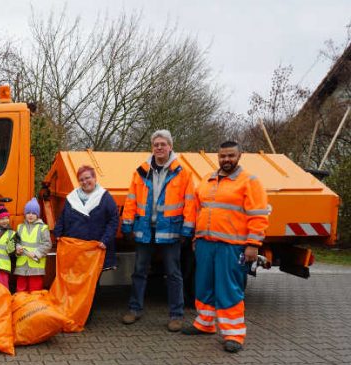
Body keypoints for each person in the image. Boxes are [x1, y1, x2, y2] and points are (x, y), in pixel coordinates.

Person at [182, 141, 269, 353]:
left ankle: (234, 334)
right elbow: (198, 211)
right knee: (203, 285)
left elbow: (258, 216)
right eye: (223, 156)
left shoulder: (249, 182)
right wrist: (196, 238)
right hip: (205, 243)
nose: (226, 160)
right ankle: (205, 323)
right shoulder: (207, 180)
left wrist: (253, 245)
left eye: (231, 156)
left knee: (229, 289)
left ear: (240, 156)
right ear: (218, 157)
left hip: (232, 246)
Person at [121, 130, 196, 332]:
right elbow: (131, 200)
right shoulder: (141, 171)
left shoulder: (183, 172)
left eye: (163, 144)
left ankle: (176, 315)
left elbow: (190, 203)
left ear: (170, 146)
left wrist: (187, 231)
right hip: (145, 229)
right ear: (152, 147)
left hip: (171, 230)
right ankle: (134, 309)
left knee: (173, 273)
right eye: (156, 144)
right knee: (139, 271)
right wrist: (127, 225)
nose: (159, 147)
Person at [54, 165, 119, 272]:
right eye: (81, 180)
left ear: (95, 178)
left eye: (87, 178)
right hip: (75, 250)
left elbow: (113, 220)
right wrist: (58, 234)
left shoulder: (105, 197)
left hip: (95, 250)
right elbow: (63, 217)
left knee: (92, 284)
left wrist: (105, 240)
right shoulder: (72, 198)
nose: (85, 182)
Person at [14, 198, 51, 292]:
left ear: (37, 215)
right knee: (20, 290)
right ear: (25, 214)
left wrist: (36, 253)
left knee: (35, 291)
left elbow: (47, 244)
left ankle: (34, 307)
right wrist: (17, 249)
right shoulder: (20, 227)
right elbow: (16, 242)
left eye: (34, 213)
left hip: (36, 267)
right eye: (28, 212)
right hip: (22, 266)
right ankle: (21, 306)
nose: (30, 215)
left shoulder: (43, 228)